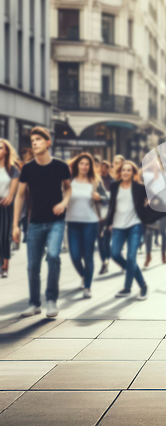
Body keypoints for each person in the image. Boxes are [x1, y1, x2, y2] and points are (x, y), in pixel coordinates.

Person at [13, 127, 72, 318]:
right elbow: (20, 196)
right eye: (32, 141)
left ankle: (52, 300)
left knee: (54, 256)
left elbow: (68, 189)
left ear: (48, 143)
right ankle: (34, 303)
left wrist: (63, 202)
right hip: (35, 223)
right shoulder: (28, 169)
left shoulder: (60, 166)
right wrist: (15, 225)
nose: (35, 143)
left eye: (38, 139)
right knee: (33, 266)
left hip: (56, 221)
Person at [106, 160, 165, 299]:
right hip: (118, 226)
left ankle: (128, 287)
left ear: (133, 173)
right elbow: (111, 205)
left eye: (128, 170)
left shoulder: (140, 188)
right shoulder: (114, 186)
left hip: (135, 225)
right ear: (120, 172)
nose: (125, 172)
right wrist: (109, 223)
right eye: (123, 170)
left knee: (131, 257)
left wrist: (147, 210)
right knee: (115, 254)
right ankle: (142, 283)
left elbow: (158, 201)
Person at [66, 153, 108, 298]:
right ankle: (85, 275)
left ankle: (88, 287)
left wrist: (99, 197)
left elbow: (107, 199)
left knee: (88, 255)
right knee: (75, 255)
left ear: (90, 167)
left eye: (87, 164)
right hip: (72, 222)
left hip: (91, 222)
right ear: (77, 165)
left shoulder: (95, 181)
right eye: (81, 163)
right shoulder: (69, 181)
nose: (84, 166)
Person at [0, 139, 20, 278]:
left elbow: (13, 188)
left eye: (0, 148)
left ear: (6, 150)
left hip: (5, 205)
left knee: (3, 237)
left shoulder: (12, 169)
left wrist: (10, 196)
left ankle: (5, 264)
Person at [97, 160, 114, 274]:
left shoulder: (112, 181)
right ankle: (105, 261)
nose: (104, 169)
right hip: (98, 213)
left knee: (106, 239)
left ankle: (107, 258)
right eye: (102, 167)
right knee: (99, 238)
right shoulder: (96, 180)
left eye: (106, 167)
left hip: (108, 212)